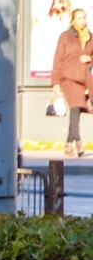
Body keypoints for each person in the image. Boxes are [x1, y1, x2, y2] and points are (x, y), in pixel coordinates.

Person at [53, 9, 92, 158]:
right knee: (75, 107)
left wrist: (89, 59)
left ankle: (68, 145)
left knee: (76, 111)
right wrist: (55, 82)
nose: (82, 21)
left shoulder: (90, 37)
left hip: (84, 80)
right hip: (68, 78)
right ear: (73, 20)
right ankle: (79, 142)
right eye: (79, 18)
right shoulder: (66, 36)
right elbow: (58, 58)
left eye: (84, 18)